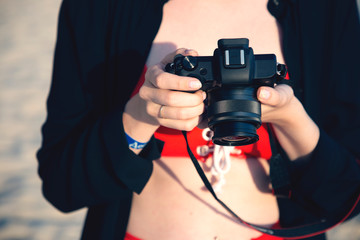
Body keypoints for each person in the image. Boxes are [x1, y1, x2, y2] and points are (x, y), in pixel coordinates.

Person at [37, 0, 360, 239]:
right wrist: (140, 116)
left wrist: (291, 119)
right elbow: (61, 186)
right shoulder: (98, 7)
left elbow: (348, 196)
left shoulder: (323, 8)